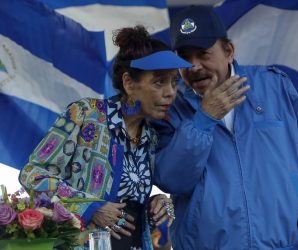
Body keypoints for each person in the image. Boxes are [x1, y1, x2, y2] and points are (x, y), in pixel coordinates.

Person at [151, 6, 298, 250]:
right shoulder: (171, 107)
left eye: (203, 54)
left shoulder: (275, 88)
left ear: (228, 51)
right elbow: (172, 180)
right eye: (184, 58)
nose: (194, 66)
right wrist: (204, 119)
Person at [19, 25, 192, 250]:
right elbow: (32, 175)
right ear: (129, 83)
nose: (170, 92)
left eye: (173, 82)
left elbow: (127, 208)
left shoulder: (151, 137)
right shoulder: (85, 114)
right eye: (159, 82)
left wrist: (154, 206)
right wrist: (91, 207)